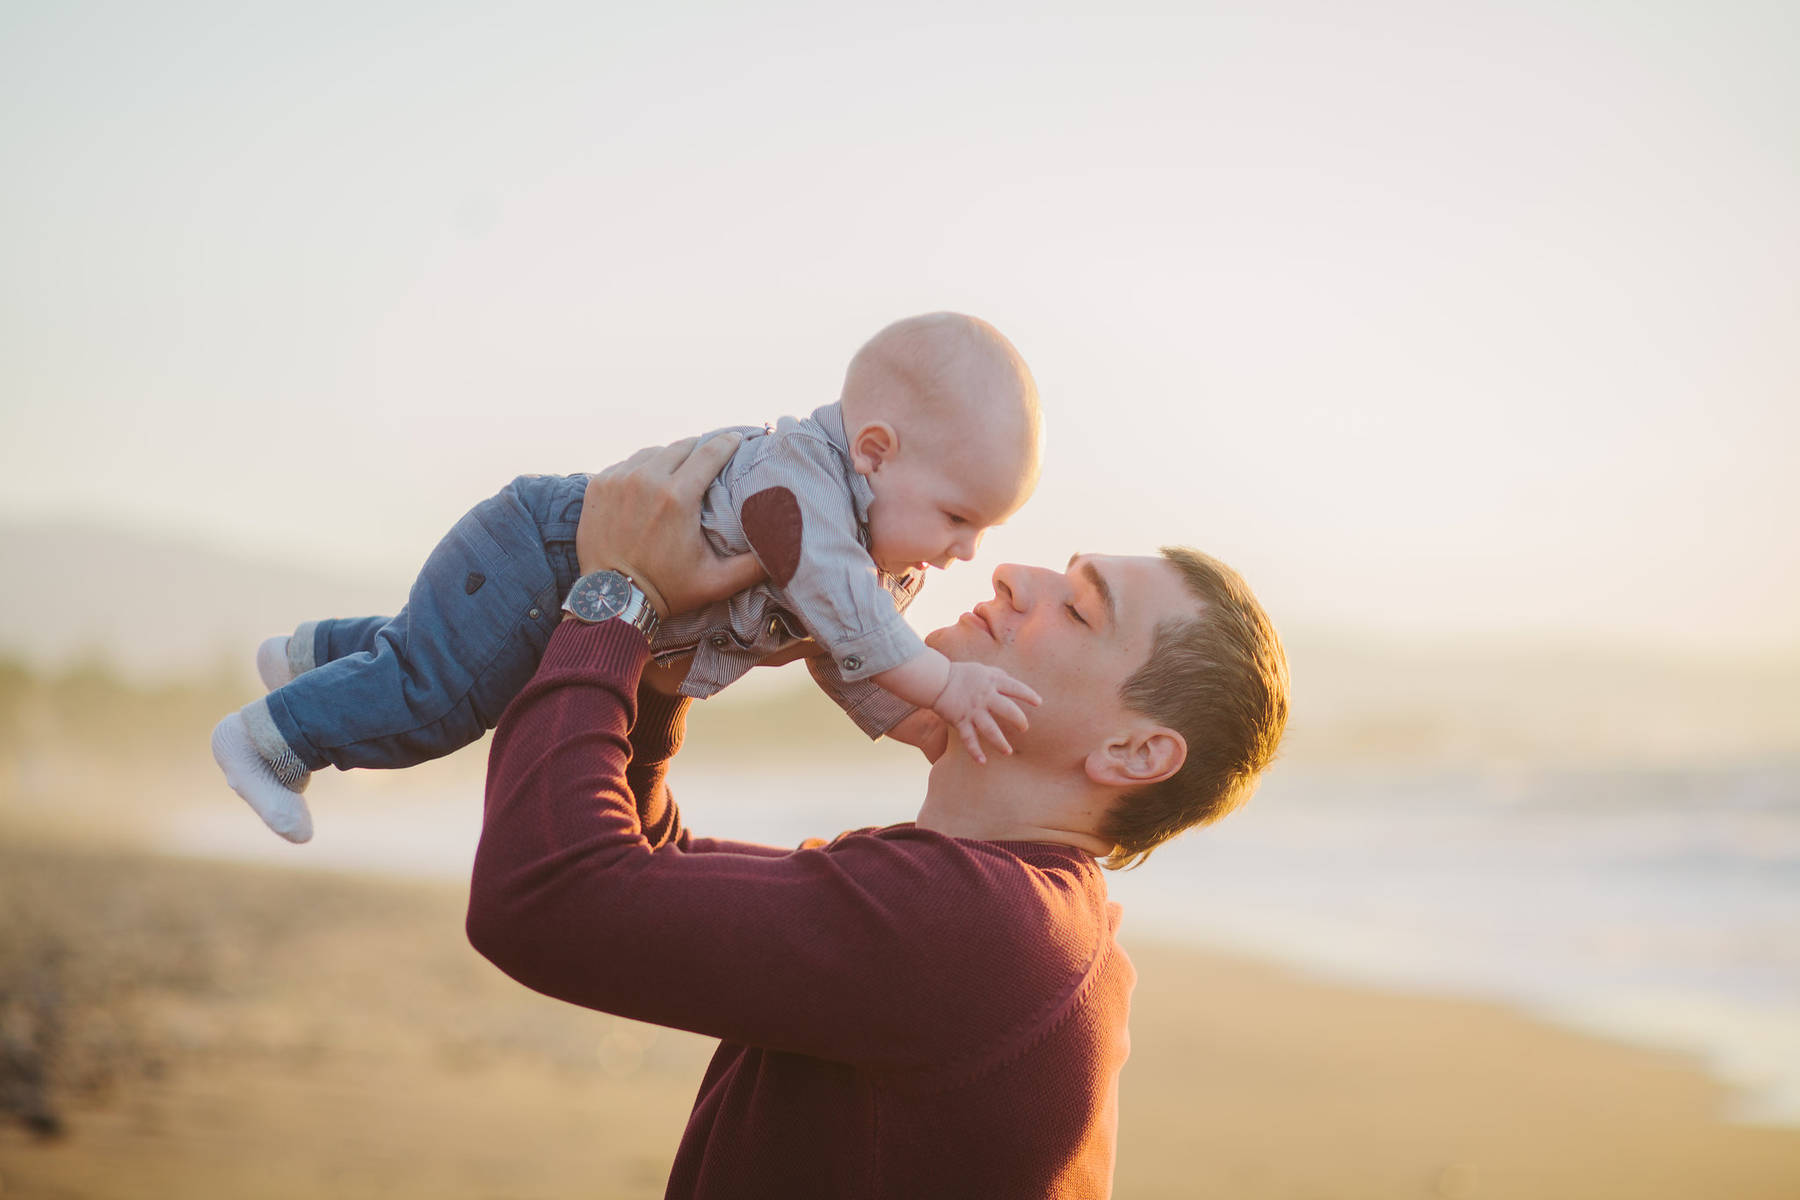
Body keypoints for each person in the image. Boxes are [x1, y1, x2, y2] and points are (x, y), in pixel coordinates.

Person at [466, 434, 1290, 1198]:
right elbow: (651, 862)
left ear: (1136, 753)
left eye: (1078, 609)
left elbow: (547, 894)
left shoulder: (982, 928)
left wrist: (618, 597)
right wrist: (670, 660)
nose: (1010, 576)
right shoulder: (1018, 922)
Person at [209, 313, 1044, 843]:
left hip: (558, 581)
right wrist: (946, 685)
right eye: (957, 517)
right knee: (440, 699)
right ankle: (269, 739)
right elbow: (850, 614)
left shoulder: (871, 567)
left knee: (438, 657)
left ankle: (311, 654)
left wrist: (921, 725)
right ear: (874, 452)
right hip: (543, 555)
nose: (965, 550)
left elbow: (848, 656)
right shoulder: (800, 493)